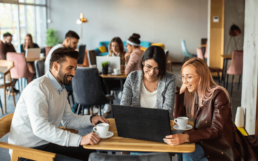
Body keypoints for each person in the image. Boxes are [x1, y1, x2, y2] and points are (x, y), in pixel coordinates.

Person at [8, 48, 108, 161]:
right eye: (70, 68)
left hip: (46, 142)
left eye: (75, 68)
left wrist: (91, 119)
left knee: (94, 153)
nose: (74, 73)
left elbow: (68, 120)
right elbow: (41, 128)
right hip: (26, 151)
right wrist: (79, 140)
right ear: (56, 66)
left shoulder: (60, 88)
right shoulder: (38, 88)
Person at [164, 58, 257, 161]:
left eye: (189, 77)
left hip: (219, 148)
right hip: (202, 143)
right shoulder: (194, 95)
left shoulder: (219, 95)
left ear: (202, 77)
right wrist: (179, 95)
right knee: (180, 151)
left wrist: (186, 137)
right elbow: (180, 121)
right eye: (183, 77)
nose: (185, 82)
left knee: (187, 155)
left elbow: (217, 129)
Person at [121, 46, 175, 118]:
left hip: (160, 124)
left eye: (157, 68)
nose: (152, 72)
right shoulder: (132, 77)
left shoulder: (169, 79)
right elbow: (124, 106)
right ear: (143, 61)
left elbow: (168, 111)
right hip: (137, 122)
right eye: (148, 66)